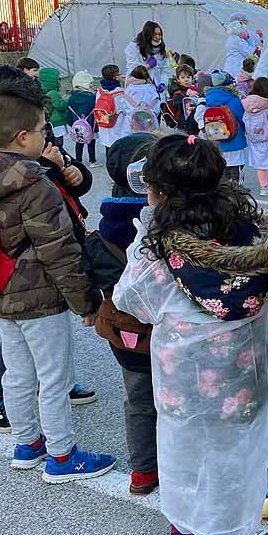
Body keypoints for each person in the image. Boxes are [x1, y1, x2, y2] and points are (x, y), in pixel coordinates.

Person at [114, 134, 268, 535]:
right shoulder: (251, 233)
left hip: (179, 371)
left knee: (180, 445)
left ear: (154, 190)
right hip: (238, 370)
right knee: (235, 453)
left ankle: (182, 527)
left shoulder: (156, 243)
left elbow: (131, 300)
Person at [0, 77, 114, 483]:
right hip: (40, 297)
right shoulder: (34, 185)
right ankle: (62, 455)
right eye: (42, 130)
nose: (47, 136)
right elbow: (59, 251)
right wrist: (88, 303)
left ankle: (27, 443)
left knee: (18, 373)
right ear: (23, 137)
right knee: (53, 377)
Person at [88, 133, 160, 495]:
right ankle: (179, 466)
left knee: (139, 400)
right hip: (165, 332)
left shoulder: (105, 228)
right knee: (175, 401)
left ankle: (143, 471)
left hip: (125, 335)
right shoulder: (161, 225)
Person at [203, 70, 248, 182]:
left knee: (223, 171)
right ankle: (237, 190)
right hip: (235, 140)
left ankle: (224, 191)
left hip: (217, 142)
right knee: (236, 172)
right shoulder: (233, 100)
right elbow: (242, 119)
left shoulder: (209, 100)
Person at [242, 77, 268, 197]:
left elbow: (244, 120)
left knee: (260, 165)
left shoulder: (247, 106)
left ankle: (264, 188)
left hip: (254, 141)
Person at [125, 21, 173, 89]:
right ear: (148, 35)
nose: (158, 37)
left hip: (156, 89)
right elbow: (132, 70)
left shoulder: (162, 49)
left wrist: (163, 83)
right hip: (138, 88)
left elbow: (165, 71)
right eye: (155, 34)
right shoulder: (134, 47)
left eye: (159, 34)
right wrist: (147, 66)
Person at [65, 70, 99, 164]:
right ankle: (92, 161)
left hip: (77, 126)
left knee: (78, 143)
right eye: (90, 83)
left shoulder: (72, 97)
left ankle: (78, 160)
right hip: (91, 125)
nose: (92, 85)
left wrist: (71, 123)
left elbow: (69, 112)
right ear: (85, 84)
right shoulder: (93, 97)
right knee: (91, 143)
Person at [39, 68, 69, 141]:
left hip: (50, 122)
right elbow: (60, 106)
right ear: (52, 80)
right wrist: (67, 100)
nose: (59, 81)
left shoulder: (44, 92)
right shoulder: (53, 93)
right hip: (57, 122)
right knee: (59, 141)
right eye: (58, 79)